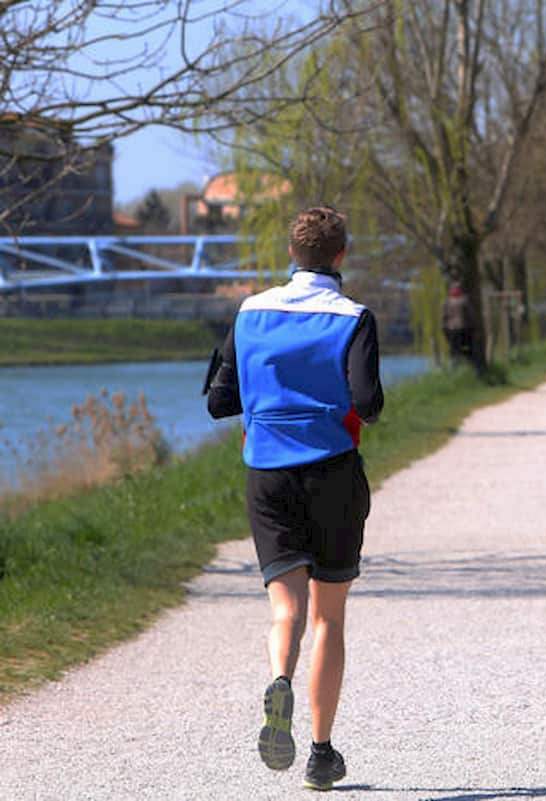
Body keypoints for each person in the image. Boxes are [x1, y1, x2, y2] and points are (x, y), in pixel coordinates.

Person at [206, 207, 383, 791]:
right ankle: (321, 753)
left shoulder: (250, 312)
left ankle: (279, 677)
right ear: (341, 256)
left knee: (286, 609)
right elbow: (369, 400)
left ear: (292, 253)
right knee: (329, 617)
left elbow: (219, 399)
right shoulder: (353, 318)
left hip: (267, 475)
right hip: (331, 471)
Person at [442, 283, 474, 363]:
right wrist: (472, 326)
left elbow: (444, 316)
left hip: (451, 328)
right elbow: (470, 314)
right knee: (466, 347)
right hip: (464, 328)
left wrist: (444, 328)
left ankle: (455, 363)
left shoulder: (447, 302)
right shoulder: (464, 300)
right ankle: (467, 362)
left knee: (454, 348)